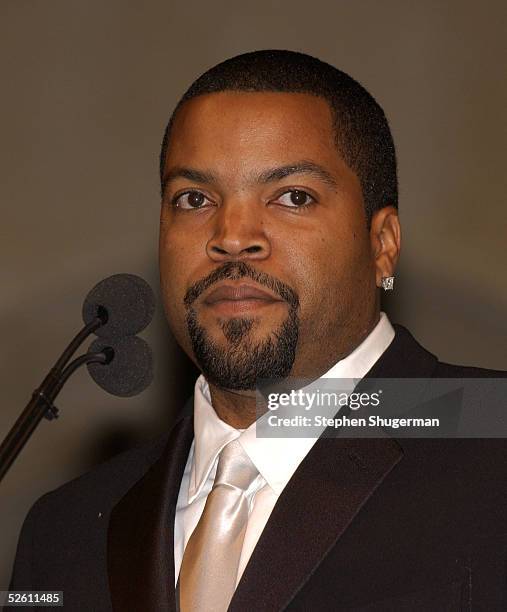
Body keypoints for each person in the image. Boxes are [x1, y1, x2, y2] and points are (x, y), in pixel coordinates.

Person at [8, 50, 506, 611]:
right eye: (195, 199)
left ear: (382, 243)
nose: (233, 235)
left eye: (292, 196)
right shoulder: (64, 531)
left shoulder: (492, 438)